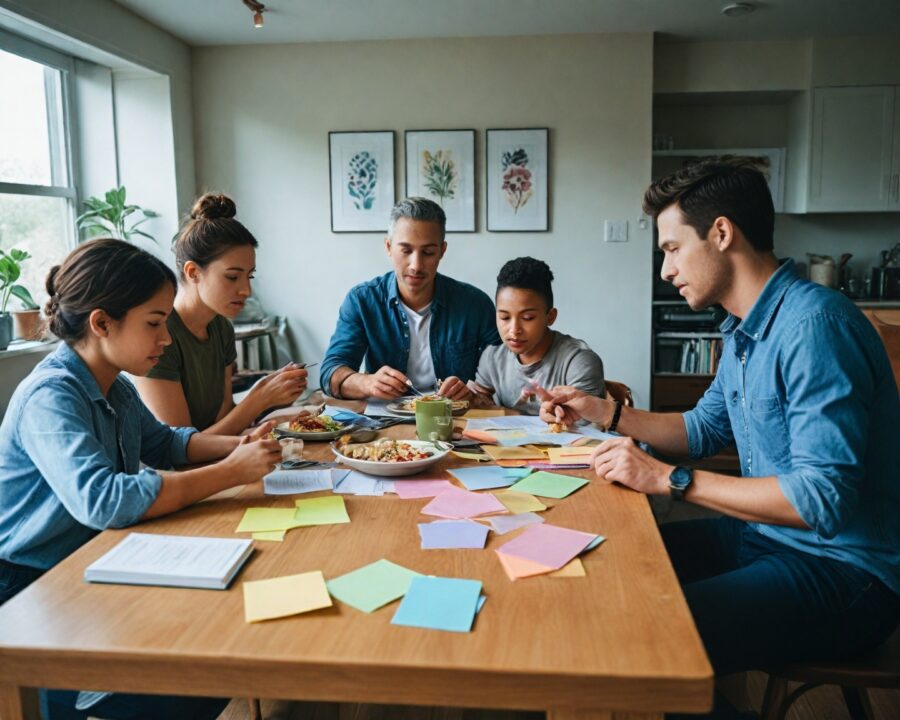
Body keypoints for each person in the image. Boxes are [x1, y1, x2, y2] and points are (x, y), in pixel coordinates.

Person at [540, 158, 900, 719]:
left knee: (639, 638)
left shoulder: (814, 328)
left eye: (671, 248)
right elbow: (702, 429)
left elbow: (821, 499)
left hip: (847, 574)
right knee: (605, 571)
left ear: (722, 232)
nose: (665, 270)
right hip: (768, 540)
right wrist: (602, 412)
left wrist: (669, 480)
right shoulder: (745, 329)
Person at [0, 238, 282, 719]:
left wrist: (239, 446)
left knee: (216, 651)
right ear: (101, 323)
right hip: (33, 586)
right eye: (154, 323)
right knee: (195, 678)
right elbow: (104, 501)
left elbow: (168, 444)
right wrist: (227, 473)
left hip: (97, 560)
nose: (166, 338)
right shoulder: (51, 395)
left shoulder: (116, 385)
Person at [134, 193, 307, 433]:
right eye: (232, 277)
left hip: (219, 461)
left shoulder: (221, 327)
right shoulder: (160, 336)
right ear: (193, 272)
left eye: (249, 276)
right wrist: (257, 399)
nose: (246, 290)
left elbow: (223, 419)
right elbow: (182, 450)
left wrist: (273, 401)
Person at [321, 197, 500, 400]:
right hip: (386, 422)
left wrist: (474, 393)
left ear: (442, 250)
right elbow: (331, 372)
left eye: (428, 252)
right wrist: (367, 382)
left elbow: (505, 372)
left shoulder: (475, 304)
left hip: (456, 419)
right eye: (406, 250)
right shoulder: (361, 301)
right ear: (388, 247)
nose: (416, 265)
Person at [469, 256, 605, 414]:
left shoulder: (578, 362)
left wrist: (509, 413)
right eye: (505, 317)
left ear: (550, 317)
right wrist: (465, 398)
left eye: (527, 318)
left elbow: (585, 430)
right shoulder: (492, 357)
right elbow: (479, 406)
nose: (514, 330)